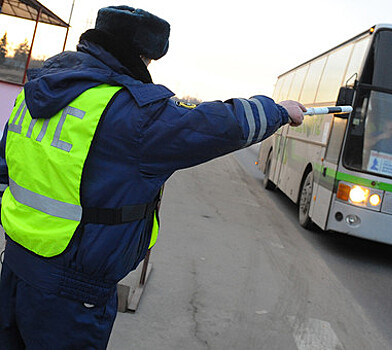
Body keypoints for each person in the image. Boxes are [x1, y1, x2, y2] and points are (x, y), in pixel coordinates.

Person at [0, 5, 305, 349]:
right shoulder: (132, 114)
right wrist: (279, 111)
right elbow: (215, 126)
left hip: (13, 268)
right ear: (138, 55)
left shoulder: (36, 91)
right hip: (71, 294)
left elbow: (5, 167)